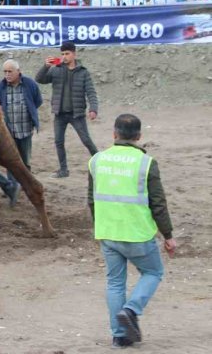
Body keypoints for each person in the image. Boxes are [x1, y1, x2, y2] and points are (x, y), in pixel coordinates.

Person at [88, 114, 176, 348]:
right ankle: (131, 309)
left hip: (108, 232)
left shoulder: (97, 160)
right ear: (139, 137)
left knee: (115, 283)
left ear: (114, 134)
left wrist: (101, 224)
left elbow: (91, 200)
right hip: (137, 234)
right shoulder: (146, 163)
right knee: (153, 272)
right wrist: (168, 236)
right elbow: (158, 204)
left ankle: (119, 337)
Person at [36, 41, 99, 178]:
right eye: (62, 53)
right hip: (59, 113)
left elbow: (91, 92)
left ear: (74, 54)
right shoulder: (56, 69)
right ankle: (63, 170)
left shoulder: (83, 72)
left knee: (86, 140)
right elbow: (40, 79)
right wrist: (46, 66)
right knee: (59, 142)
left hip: (77, 114)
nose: (64, 56)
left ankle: (101, 164)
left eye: (67, 53)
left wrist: (93, 109)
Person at [0, 59, 43, 176]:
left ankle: (27, 183)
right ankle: (13, 187)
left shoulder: (30, 84)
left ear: (18, 71)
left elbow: (38, 101)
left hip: (25, 131)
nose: (7, 74)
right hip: (9, 132)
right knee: (10, 160)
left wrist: (30, 111)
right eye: (5, 71)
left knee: (25, 160)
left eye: (10, 71)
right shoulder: (0, 87)